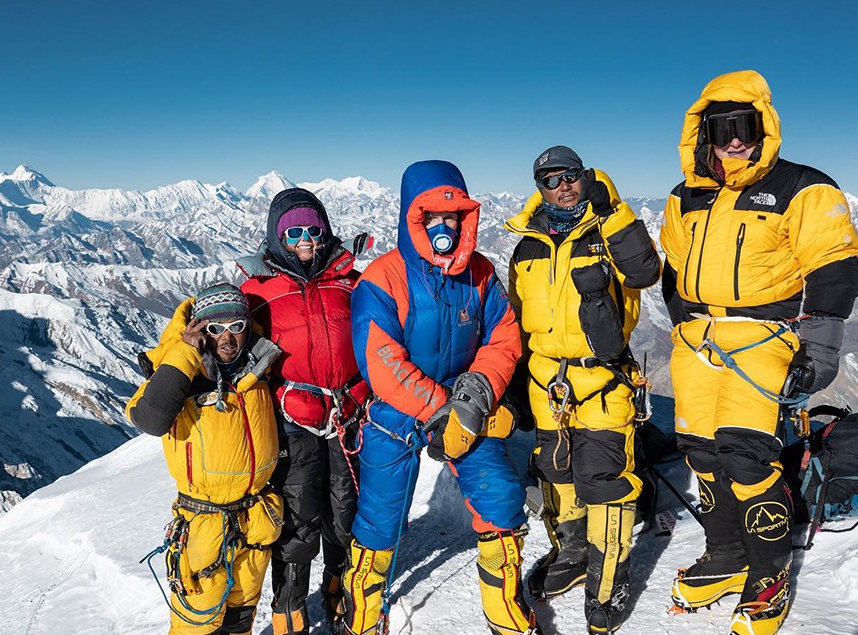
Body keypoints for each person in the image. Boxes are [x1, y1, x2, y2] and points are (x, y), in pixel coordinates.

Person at [660, 69, 858, 635]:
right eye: (722, 125)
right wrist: (680, 319)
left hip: (765, 337)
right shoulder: (686, 196)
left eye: (744, 123)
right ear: (704, 132)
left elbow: (835, 266)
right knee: (701, 452)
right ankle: (725, 554)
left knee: (748, 456)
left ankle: (769, 573)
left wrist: (820, 344)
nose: (734, 137)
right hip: (698, 342)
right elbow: (675, 266)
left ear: (763, 125)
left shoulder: (804, 187)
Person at [337, 160, 537, 635]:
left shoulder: (482, 273)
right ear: (413, 217)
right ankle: (362, 614)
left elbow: (504, 338)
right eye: (432, 216)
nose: (443, 226)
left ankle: (505, 608)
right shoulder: (383, 279)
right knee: (381, 516)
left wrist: (478, 390)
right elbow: (381, 361)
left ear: (465, 219)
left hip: (467, 403)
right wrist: (440, 407)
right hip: (400, 409)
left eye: (453, 217)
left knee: (501, 497)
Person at [504, 146, 661, 634]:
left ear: (584, 177)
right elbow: (516, 316)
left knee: (606, 484)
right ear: (539, 188)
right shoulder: (527, 245)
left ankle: (608, 581)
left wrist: (611, 210)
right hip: (546, 382)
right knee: (558, 472)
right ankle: (571, 553)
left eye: (570, 176)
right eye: (550, 180)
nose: (562, 186)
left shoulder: (608, 228)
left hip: (604, 377)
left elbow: (645, 272)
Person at [232, 187, 370, 635]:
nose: (306, 239)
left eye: (314, 229)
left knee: (345, 509)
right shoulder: (256, 294)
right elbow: (229, 345)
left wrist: (365, 389)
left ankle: (339, 589)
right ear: (277, 238)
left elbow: (378, 339)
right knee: (298, 515)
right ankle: (289, 611)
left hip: (348, 415)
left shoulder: (350, 280)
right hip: (291, 420)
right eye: (293, 233)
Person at [126, 283, 284, 635]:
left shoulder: (259, 369)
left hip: (255, 519)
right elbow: (150, 419)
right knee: (197, 626)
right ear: (200, 331)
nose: (227, 338)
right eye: (215, 329)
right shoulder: (183, 378)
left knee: (241, 619)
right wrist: (185, 352)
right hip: (204, 527)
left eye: (236, 327)